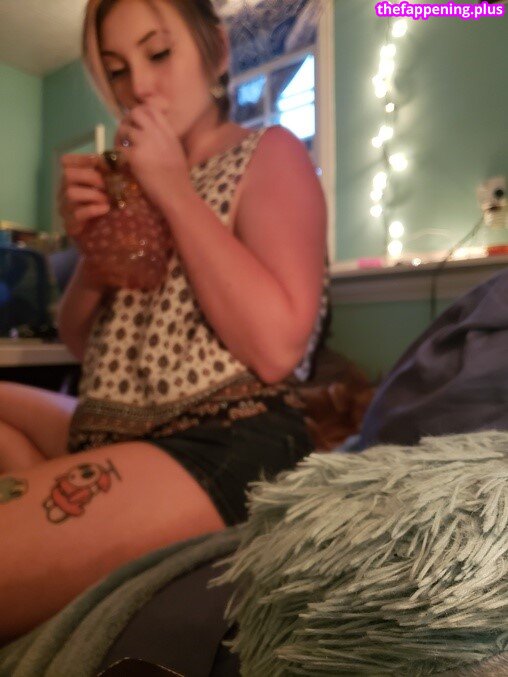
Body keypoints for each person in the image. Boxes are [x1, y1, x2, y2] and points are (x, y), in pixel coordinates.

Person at [0, 0, 328, 641]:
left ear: (216, 51)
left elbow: (278, 348)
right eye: (118, 70)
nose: (139, 87)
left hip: (224, 436)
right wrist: (96, 248)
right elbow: (83, 341)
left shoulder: (269, 152)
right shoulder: (129, 182)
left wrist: (174, 190)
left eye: (158, 53)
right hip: (118, 423)